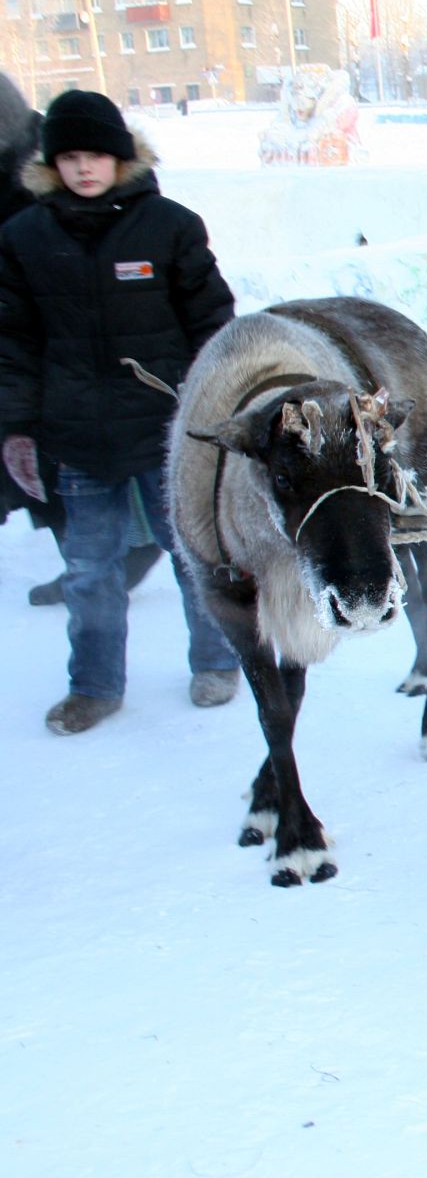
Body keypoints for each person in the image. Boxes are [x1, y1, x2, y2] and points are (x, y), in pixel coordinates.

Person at [0, 90, 241, 734]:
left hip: (167, 432)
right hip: (76, 436)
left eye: (98, 155)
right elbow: (13, 342)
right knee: (88, 569)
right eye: (71, 157)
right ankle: (95, 685)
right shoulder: (24, 237)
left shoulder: (169, 226)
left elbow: (213, 325)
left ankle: (217, 660)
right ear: (52, 164)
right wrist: (17, 429)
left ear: (122, 158)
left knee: (194, 556)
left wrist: (215, 408)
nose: (84, 168)